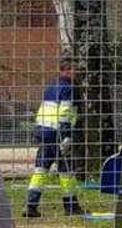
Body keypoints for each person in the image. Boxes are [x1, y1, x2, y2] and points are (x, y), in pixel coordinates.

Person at [24, 60, 85, 218]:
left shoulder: (51, 87)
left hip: (44, 132)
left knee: (41, 169)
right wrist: (66, 136)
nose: (77, 73)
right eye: (74, 69)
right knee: (66, 171)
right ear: (66, 71)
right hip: (57, 133)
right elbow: (65, 111)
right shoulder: (68, 88)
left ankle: (31, 205)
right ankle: (71, 206)